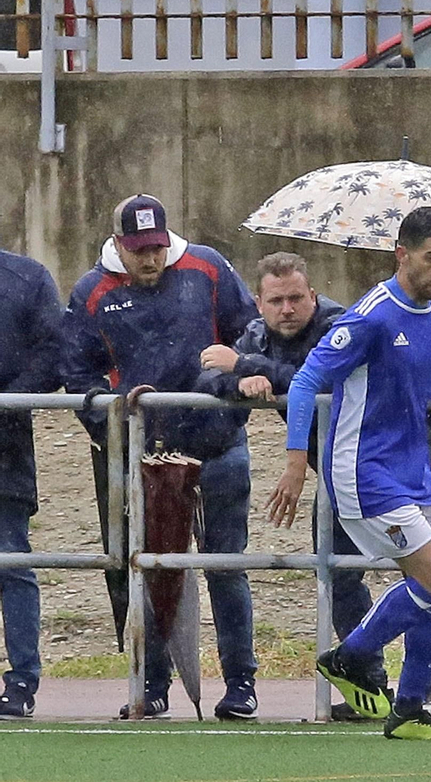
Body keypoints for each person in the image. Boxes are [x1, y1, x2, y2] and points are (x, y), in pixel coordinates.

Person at [268, 206, 431, 741]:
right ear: (400, 254)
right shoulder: (370, 317)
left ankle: (407, 711)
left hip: (413, 469)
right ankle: (352, 654)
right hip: (365, 472)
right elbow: (308, 379)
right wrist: (295, 465)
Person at [63, 195, 260, 721]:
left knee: (225, 566)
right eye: (138, 250)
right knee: (142, 571)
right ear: (118, 248)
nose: (149, 260)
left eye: (156, 248)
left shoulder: (208, 268)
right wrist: (111, 422)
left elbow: (252, 333)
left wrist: (235, 369)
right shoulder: (92, 292)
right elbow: (76, 371)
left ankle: (241, 683)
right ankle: (150, 685)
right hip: (142, 459)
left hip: (219, 448)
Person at [193, 252, 381, 721]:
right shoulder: (257, 334)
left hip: (377, 459)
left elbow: (319, 383)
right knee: (339, 572)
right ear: (259, 303)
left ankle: (420, 678)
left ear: (313, 296)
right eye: (276, 301)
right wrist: (240, 381)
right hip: (335, 467)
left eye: (297, 298)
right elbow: (208, 373)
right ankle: (371, 684)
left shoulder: (340, 324)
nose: (288, 309)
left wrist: (251, 366)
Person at [0, 247, 63, 717]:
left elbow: (54, 354)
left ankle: (21, 683)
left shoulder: (26, 277)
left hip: (6, 450)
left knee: (12, 564)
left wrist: (6, 402)